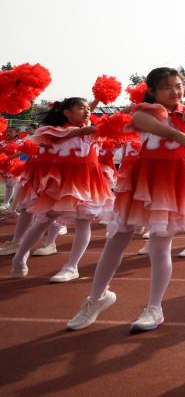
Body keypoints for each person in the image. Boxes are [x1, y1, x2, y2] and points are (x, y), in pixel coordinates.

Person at [67, 70, 185, 332]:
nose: (175, 91)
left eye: (179, 86)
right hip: (143, 181)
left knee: (160, 245)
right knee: (117, 239)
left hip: (174, 183)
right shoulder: (143, 111)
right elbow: (156, 128)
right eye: (166, 87)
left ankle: (154, 308)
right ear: (152, 91)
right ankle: (97, 298)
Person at [9, 97, 113, 282]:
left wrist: (126, 117)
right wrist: (101, 126)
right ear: (67, 112)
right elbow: (72, 133)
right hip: (60, 183)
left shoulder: (92, 131)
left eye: (88, 109)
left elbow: (99, 131)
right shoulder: (51, 131)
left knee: (84, 220)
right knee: (45, 220)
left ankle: (72, 266)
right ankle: (20, 256)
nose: (87, 111)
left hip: (86, 181)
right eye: (81, 108)